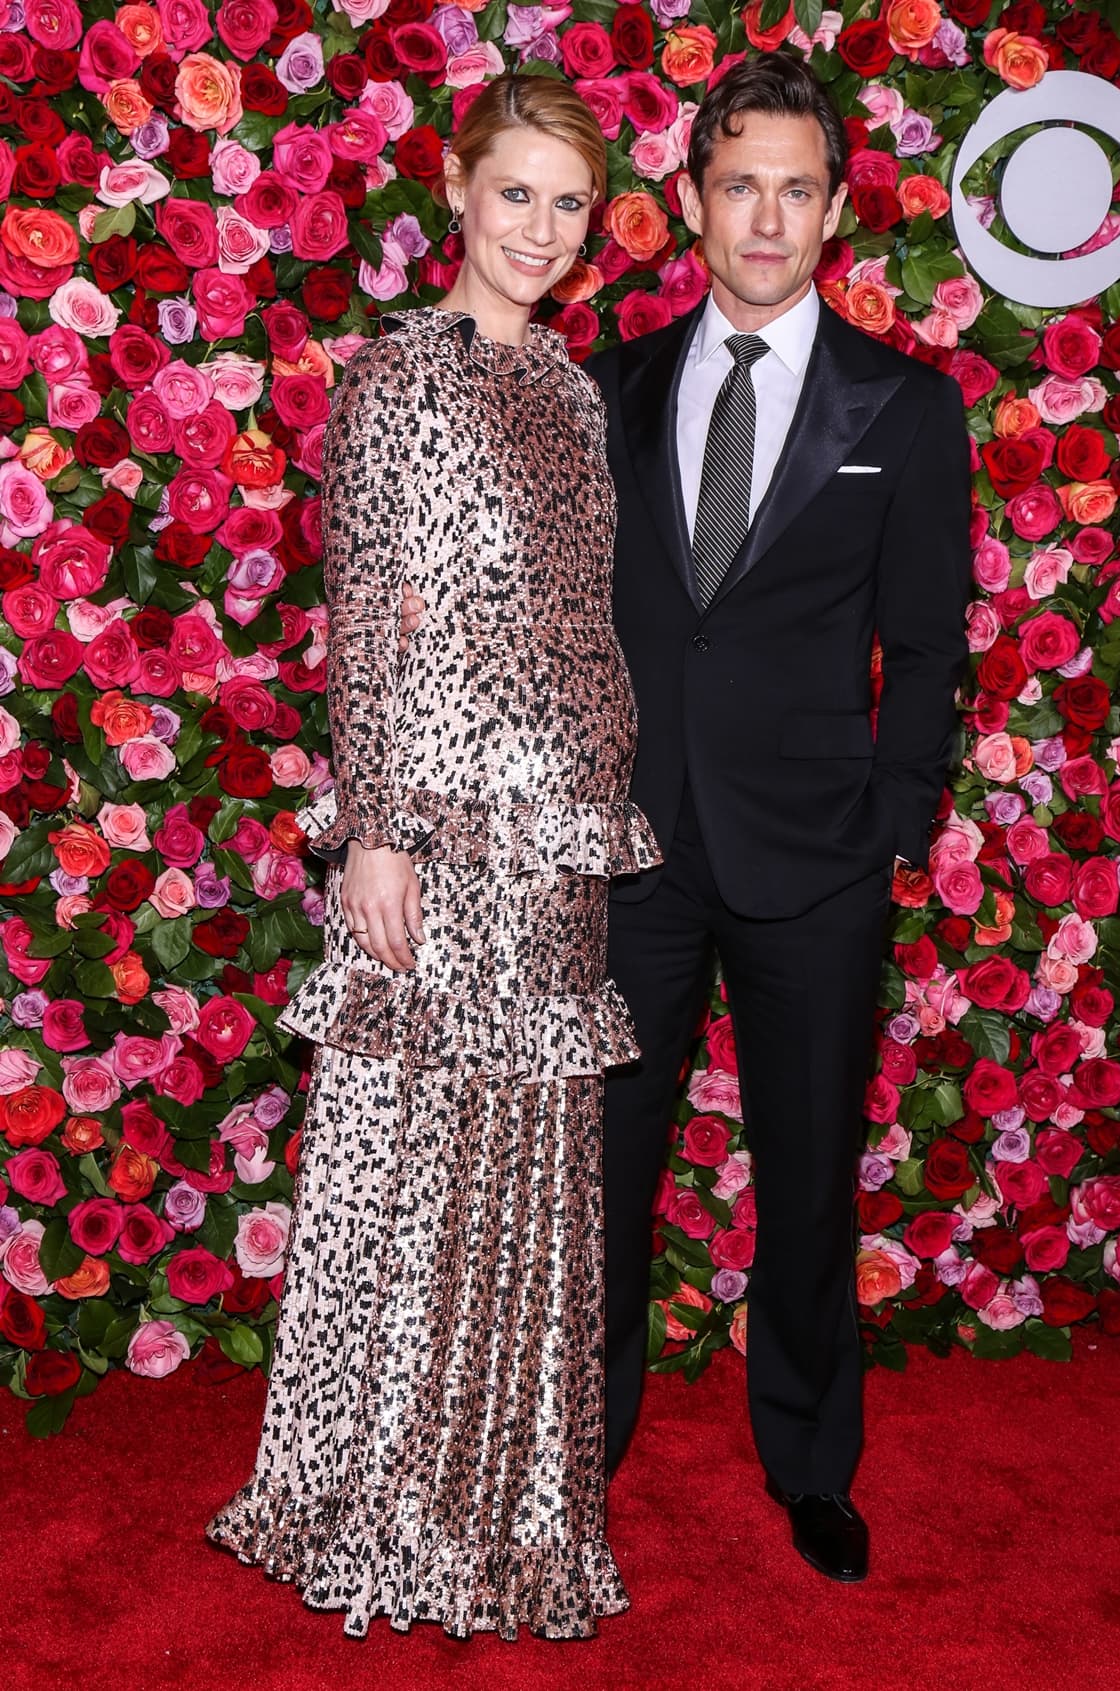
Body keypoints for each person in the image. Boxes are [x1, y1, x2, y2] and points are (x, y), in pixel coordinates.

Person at [205, 72, 659, 1642]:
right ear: (456, 193)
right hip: (446, 827)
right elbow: (370, 617)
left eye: (569, 203)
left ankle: (509, 1500)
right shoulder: (393, 382)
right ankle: (389, 1502)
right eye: (515, 192)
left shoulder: (583, 395)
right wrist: (376, 831)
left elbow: (583, 614)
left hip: (566, 838)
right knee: (416, 1152)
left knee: (529, 1167)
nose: (540, 227)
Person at [588, 52, 972, 1584]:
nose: (765, 215)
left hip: (818, 865)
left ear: (832, 213)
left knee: (809, 1177)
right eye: (737, 182)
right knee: (601, 1176)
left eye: (795, 189)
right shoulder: (609, 384)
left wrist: (893, 822)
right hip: (632, 856)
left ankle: (813, 1462)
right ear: (692, 200)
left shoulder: (907, 405)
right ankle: (576, 1453)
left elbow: (932, 644)